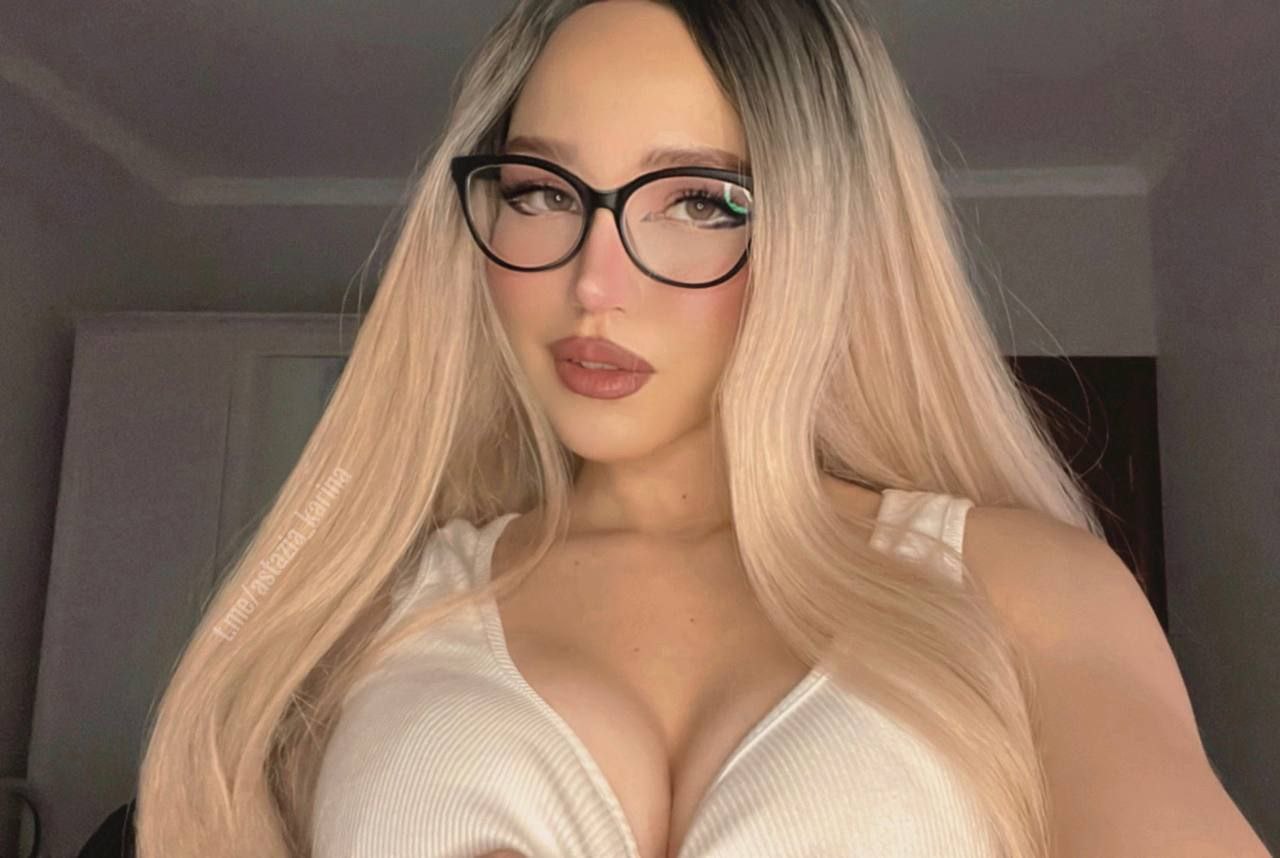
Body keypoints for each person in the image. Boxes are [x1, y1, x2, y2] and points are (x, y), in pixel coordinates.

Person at [134, 1, 1271, 857]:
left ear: (822, 238)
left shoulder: (1018, 587)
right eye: (540, 191)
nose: (594, 282)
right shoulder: (367, 611)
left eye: (701, 202)